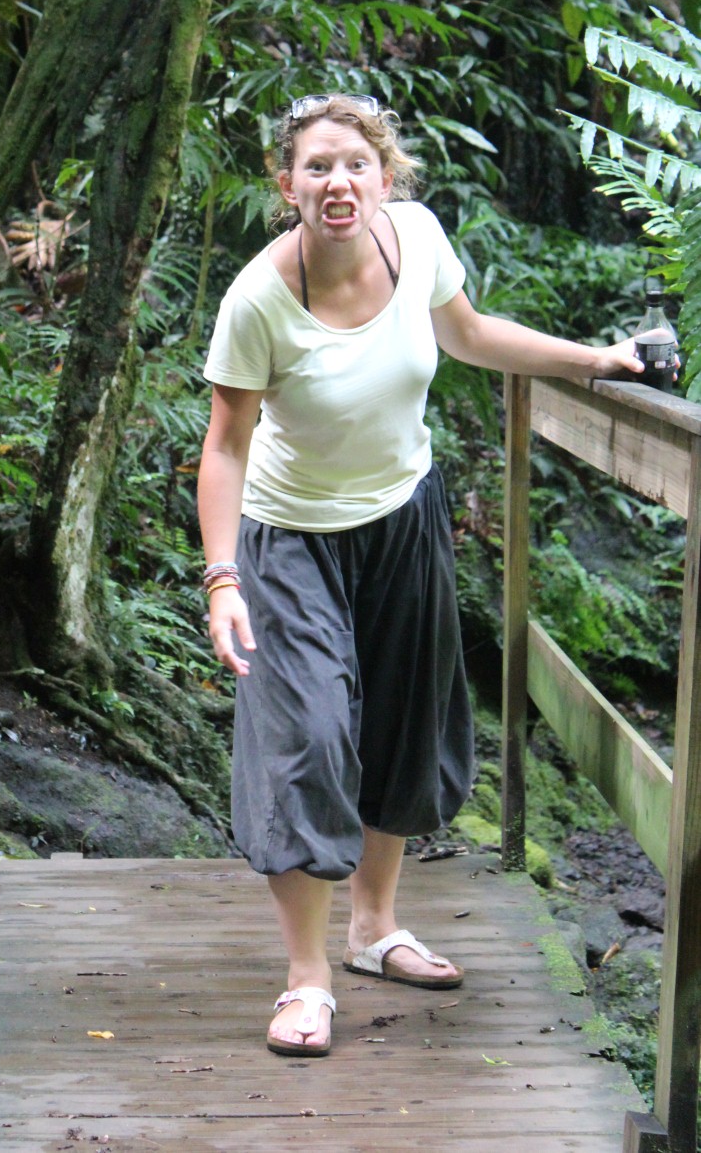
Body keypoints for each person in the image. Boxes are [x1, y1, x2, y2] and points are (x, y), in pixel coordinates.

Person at [196, 90, 644, 1058]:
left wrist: (593, 360)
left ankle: (373, 927)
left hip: (402, 517)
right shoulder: (256, 299)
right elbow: (225, 444)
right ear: (287, 185)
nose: (337, 182)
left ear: (384, 176)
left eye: (354, 164)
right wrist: (221, 577)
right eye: (316, 167)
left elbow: (469, 335)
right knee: (309, 735)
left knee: (403, 723)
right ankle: (305, 978)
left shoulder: (419, 240)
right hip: (291, 537)